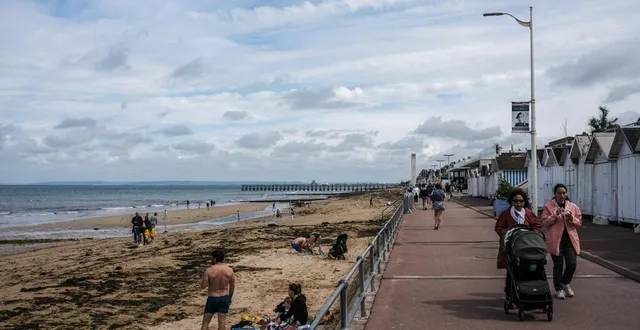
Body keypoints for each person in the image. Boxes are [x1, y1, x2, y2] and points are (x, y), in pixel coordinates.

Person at [494, 188, 541, 298]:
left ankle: (529, 291)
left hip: (527, 244)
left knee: (529, 268)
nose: (518, 203)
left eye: (521, 201)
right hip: (512, 246)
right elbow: (498, 227)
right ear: (512, 202)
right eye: (516, 201)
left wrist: (531, 233)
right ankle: (509, 293)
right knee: (512, 271)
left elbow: (537, 225)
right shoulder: (506, 214)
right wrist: (507, 234)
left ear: (524, 202)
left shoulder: (528, 213)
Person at [542, 183, 582, 300]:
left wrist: (571, 218)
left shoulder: (573, 207)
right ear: (554, 194)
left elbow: (578, 223)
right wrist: (555, 215)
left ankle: (565, 282)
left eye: (564, 193)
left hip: (569, 240)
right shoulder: (549, 206)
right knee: (558, 265)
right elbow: (544, 222)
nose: (562, 195)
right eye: (559, 193)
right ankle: (559, 289)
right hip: (555, 241)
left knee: (572, 263)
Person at [200, 249, 235, 330]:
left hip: (213, 298)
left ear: (215, 258)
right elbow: (232, 286)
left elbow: (203, 286)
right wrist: (229, 298)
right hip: (224, 297)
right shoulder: (229, 270)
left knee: (205, 322)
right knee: (222, 322)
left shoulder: (209, 270)